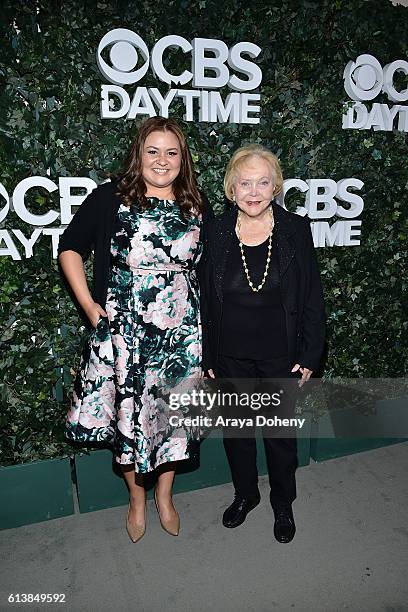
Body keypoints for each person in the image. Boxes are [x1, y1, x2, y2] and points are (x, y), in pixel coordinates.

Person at [58, 116, 213, 543]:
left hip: (182, 334)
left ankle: (165, 495)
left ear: (183, 160)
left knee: (172, 421)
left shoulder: (197, 205)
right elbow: (70, 247)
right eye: (152, 151)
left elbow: (212, 273)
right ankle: (137, 498)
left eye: (171, 152)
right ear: (138, 155)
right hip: (124, 332)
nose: (161, 161)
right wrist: (90, 305)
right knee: (126, 419)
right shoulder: (110, 198)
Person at [201, 144, 325, 543]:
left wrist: (310, 354)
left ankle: (282, 502)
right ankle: (246, 495)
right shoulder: (215, 232)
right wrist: (208, 355)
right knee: (237, 435)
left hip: (280, 356)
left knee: (279, 437)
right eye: (244, 182)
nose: (253, 191)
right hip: (230, 356)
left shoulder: (295, 230)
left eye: (263, 182)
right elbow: (204, 298)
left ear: (275, 187)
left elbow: (311, 297)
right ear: (231, 188)